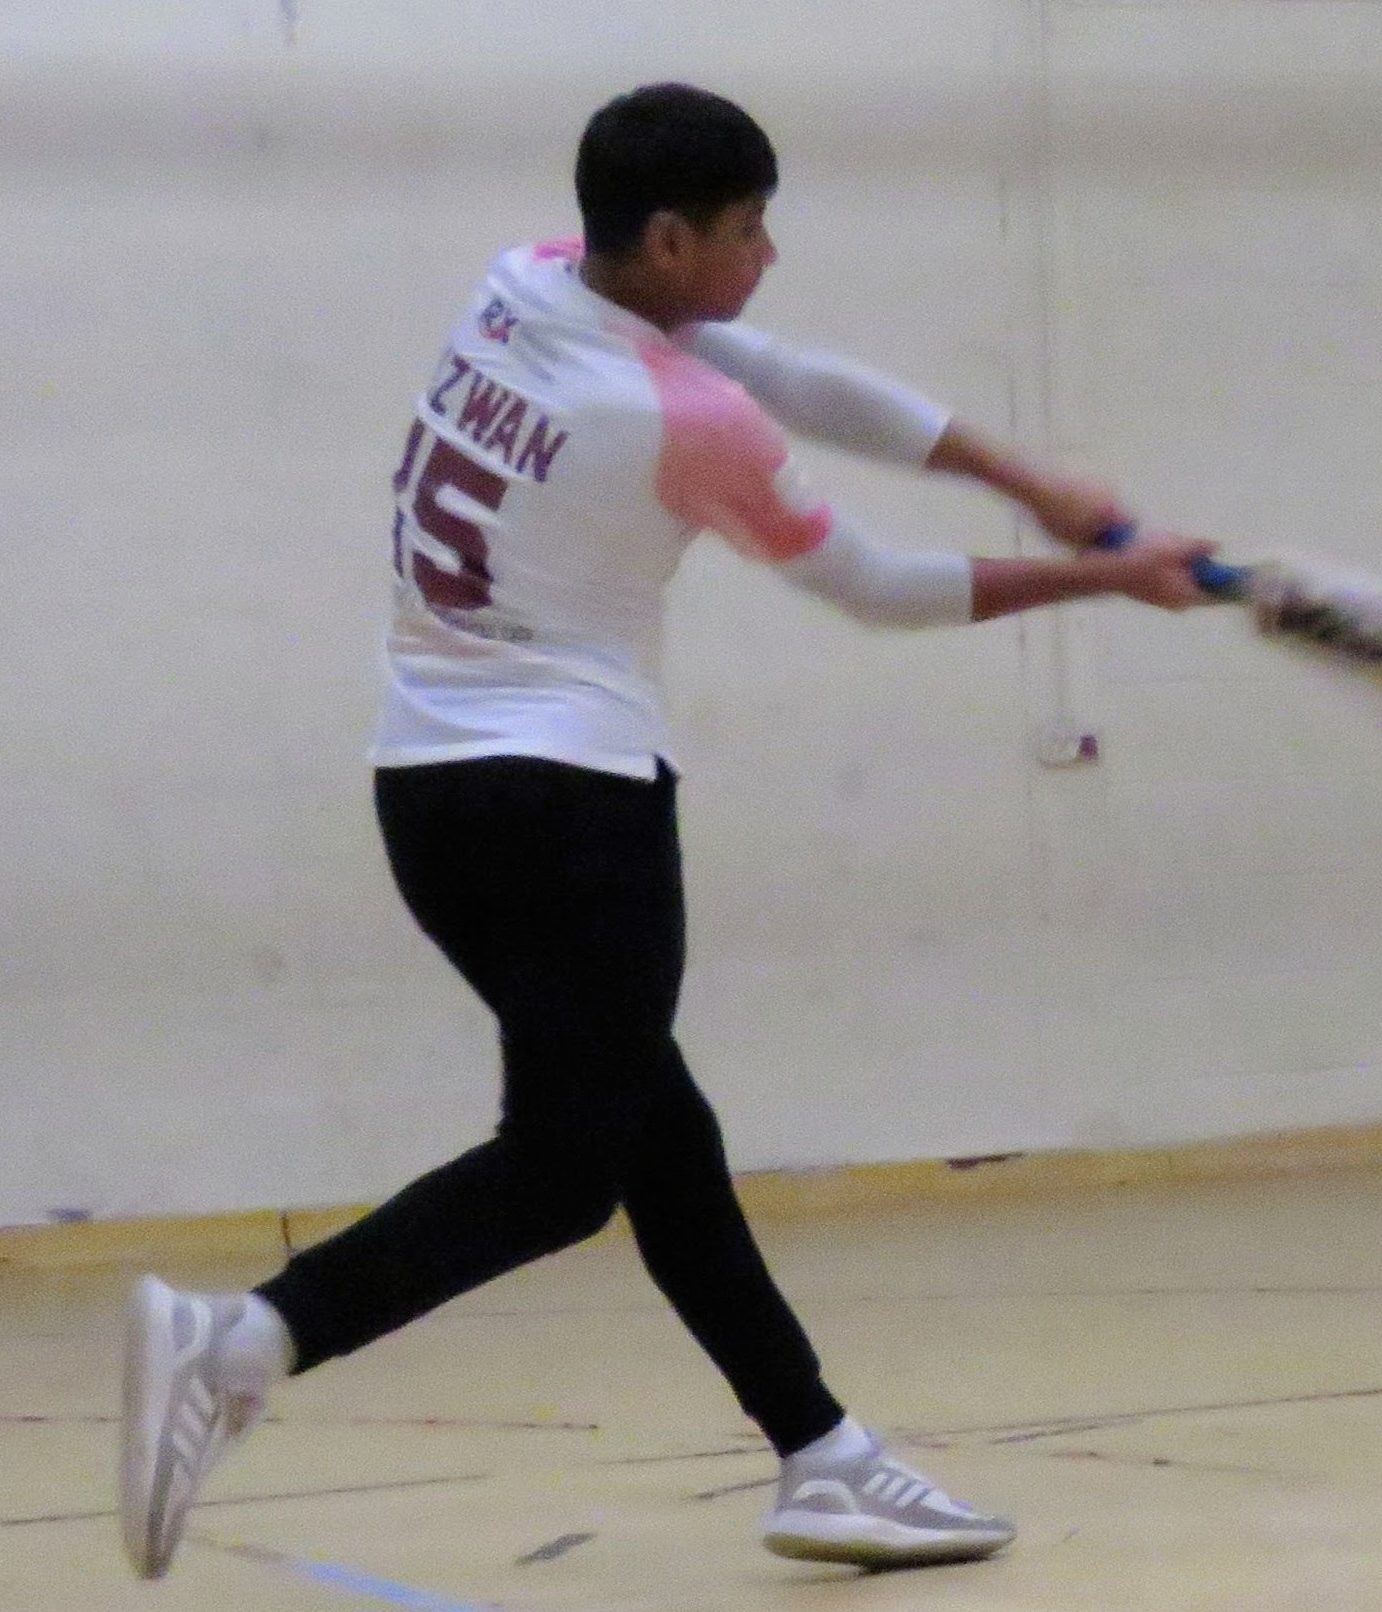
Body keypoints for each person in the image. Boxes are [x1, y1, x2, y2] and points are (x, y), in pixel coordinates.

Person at [119, 81, 1213, 1582]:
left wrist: (1026, 476)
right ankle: (239, 1341)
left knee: (657, 1133)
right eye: (751, 230)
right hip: (572, 808)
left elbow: (781, 367)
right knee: (568, 1165)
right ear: (672, 235)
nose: (769, 256)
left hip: (432, 794)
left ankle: (823, 1456)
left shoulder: (526, 280)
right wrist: (1105, 577)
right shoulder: (671, 420)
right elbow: (876, 585)